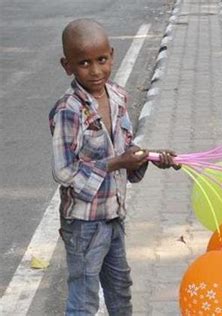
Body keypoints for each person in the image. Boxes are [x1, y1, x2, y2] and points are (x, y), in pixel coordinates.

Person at [49, 18, 179, 315]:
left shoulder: (118, 96)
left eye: (102, 60)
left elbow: (125, 147)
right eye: (83, 63)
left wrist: (151, 156)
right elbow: (64, 171)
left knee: (120, 287)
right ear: (67, 65)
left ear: (112, 54)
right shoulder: (69, 110)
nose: (95, 71)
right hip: (83, 223)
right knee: (84, 296)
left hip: (114, 213)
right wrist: (119, 162)